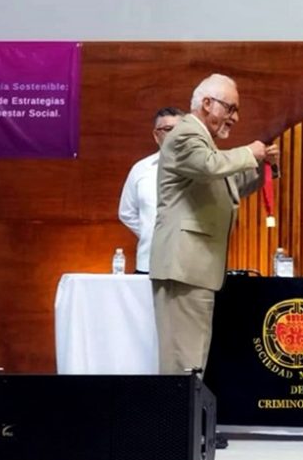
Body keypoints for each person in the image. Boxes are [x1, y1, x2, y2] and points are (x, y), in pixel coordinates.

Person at [149, 73, 278, 376]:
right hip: (184, 267)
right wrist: (249, 153)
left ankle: (183, 409)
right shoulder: (186, 134)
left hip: (194, 268)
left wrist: (264, 166)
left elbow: (230, 184)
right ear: (207, 104)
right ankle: (178, 410)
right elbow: (210, 166)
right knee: (183, 364)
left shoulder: (204, 142)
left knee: (191, 361)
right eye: (231, 108)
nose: (235, 117)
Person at [118, 107, 185, 274]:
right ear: (156, 135)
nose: (175, 135)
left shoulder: (201, 168)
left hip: (188, 266)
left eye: (180, 130)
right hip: (148, 262)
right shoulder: (141, 169)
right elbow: (126, 212)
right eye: (168, 129)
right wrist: (152, 233)